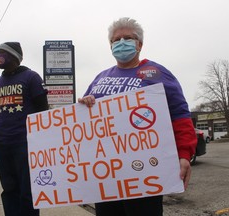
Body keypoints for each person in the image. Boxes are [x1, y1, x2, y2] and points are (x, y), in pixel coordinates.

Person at [78, 17, 197, 216]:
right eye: (116, 40)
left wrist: (184, 154)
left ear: (139, 44)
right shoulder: (101, 78)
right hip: (107, 175)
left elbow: (179, 115)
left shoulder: (155, 73)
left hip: (144, 172)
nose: (121, 42)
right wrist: (86, 103)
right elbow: (85, 119)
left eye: (127, 38)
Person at [0, 42, 48, 216]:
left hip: (25, 143)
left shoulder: (31, 77)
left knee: (27, 190)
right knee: (9, 189)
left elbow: (43, 110)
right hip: (2, 144)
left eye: (2, 52)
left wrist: (45, 141)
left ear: (14, 57)